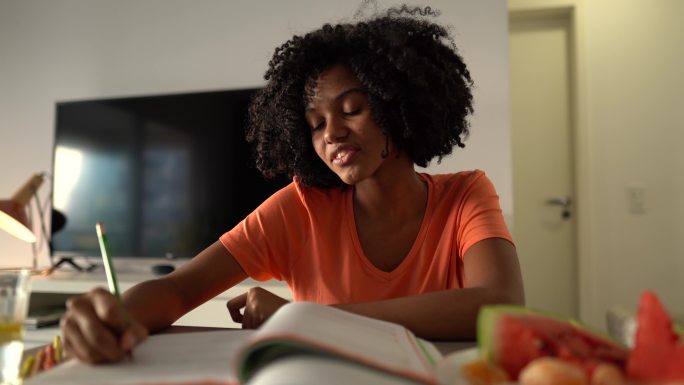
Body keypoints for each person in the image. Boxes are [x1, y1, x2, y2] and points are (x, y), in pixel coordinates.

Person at [60, 5, 524, 364]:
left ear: (399, 106)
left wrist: (304, 318)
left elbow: (498, 305)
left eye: (351, 109)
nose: (332, 134)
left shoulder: (465, 194)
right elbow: (181, 289)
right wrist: (112, 315)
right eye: (316, 124)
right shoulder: (301, 207)